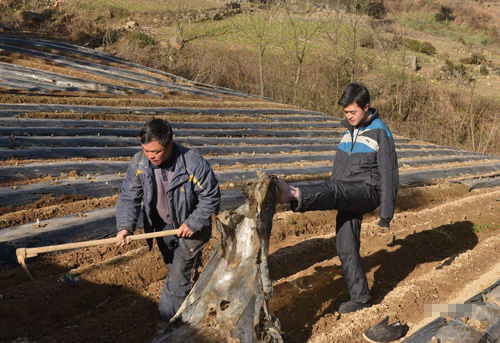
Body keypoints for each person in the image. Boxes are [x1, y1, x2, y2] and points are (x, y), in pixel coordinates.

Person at [277, 83, 399, 314]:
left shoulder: (380, 131)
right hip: (345, 192)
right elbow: (340, 169)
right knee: (345, 247)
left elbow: (389, 172)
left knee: (333, 189)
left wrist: (386, 213)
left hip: (366, 191)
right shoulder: (348, 132)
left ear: (367, 107)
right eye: (345, 112)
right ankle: (361, 297)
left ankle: (292, 193)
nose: (349, 116)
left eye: (353, 112)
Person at [115, 118, 221, 332]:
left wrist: (192, 222)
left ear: (170, 145)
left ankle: (166, 327)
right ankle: (197, 295)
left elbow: (211, 196)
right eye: (146, 150)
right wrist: (125, 226)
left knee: (177, 279)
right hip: (162, 226)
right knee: (174, 267)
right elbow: (129, 197)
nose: (151, 156)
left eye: (156, 151)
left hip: (192, 229)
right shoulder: (139, 162)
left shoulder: (192, 163)